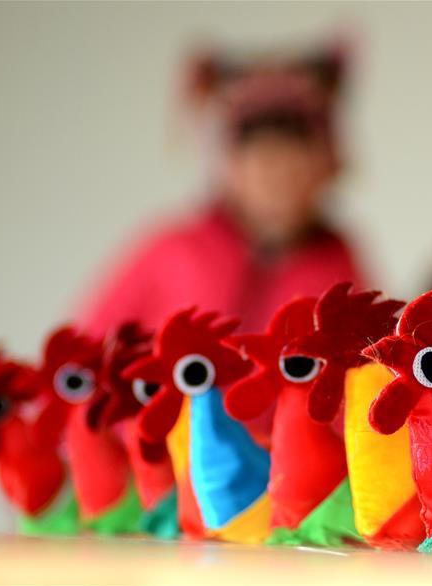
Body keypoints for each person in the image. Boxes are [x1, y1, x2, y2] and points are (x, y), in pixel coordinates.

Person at [76, 40, 363, 440]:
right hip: (161, 466)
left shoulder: (339, 265)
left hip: (289, 471)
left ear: (328, 162)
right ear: (226, 164)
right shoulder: (170, 252)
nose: (276, 174)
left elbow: (361, 384)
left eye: (295, 156)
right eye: (259, 157)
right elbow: (83, 363)